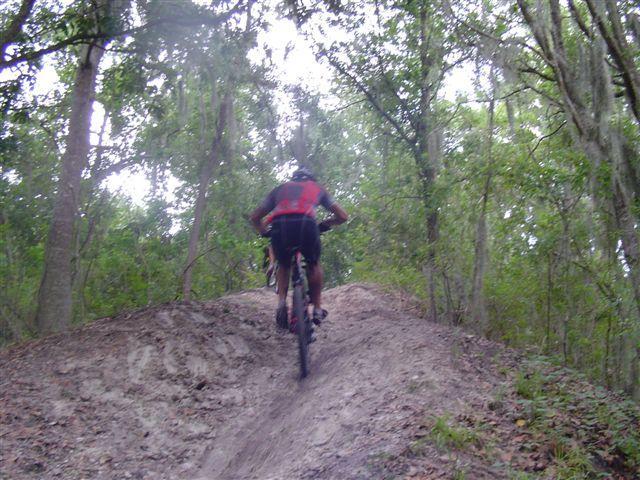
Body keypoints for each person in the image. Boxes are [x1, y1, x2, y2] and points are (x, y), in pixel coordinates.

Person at [250, 166, 348, 330]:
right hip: (306, 225)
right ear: (310, 179)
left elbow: (255, 217)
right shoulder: (317, 188)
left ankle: (281, 304)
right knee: (313, 264)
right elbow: (343, 216)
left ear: (293, 179)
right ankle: (317, 309)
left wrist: (264, 233)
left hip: (280, 227)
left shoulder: (279, 190)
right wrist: (325, 224)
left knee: (283, 264)